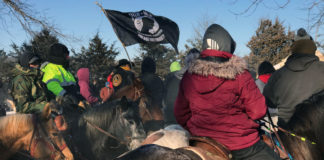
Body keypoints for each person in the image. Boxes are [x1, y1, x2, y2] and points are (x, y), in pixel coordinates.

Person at [174, 24, 280, 160]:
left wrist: (197, 128)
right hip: (242, 145)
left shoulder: (189, 76)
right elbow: (258, 111)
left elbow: (180, 114)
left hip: (202, 143)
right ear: (227, 46)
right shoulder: (240, 74)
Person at [263, 28, 324, 128]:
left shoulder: (277, 76)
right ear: (313, 48)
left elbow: (268, 103)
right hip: (319, 134)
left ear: (293, 49)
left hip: (289, 136)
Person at [41, 43, 80, 108]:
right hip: (60, 104)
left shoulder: (64, 68)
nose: (68, 57)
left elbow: (74, 85)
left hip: (72, 101)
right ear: (58, 56)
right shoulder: (51, 68)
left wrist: (78, 94)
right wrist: (65, 95)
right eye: (66, 55)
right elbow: (52, 85)